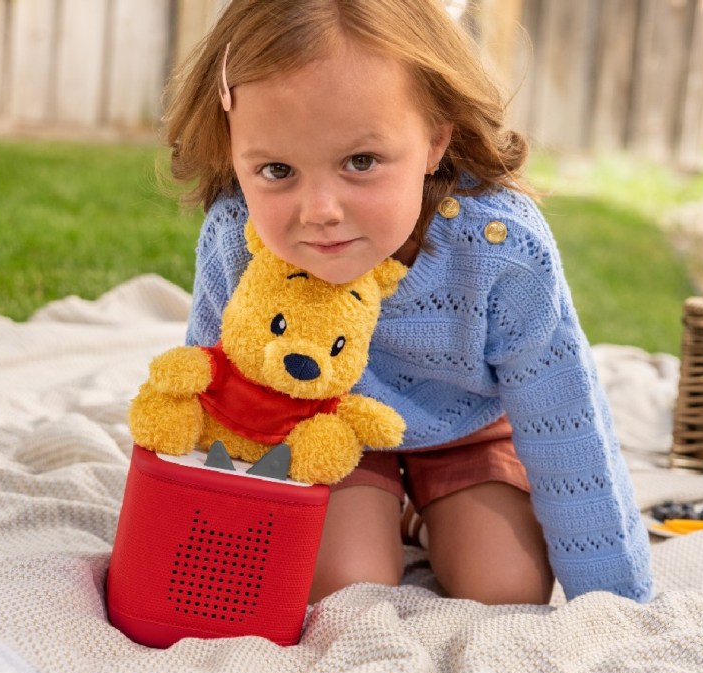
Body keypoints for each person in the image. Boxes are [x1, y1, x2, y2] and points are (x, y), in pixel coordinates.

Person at [163, 0, 653, 606]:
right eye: (277, 169)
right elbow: (215, 391)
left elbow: (566, 423)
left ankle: (419, 512)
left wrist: (617, 604)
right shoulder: (238, 234)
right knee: (346, 584)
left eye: (361, 162)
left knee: (506, 587)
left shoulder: (501, 245)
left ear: (435, 140)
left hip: (465, 429)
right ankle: (382, 505)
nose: (319, 211)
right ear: (232, 153)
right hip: (324, 427)